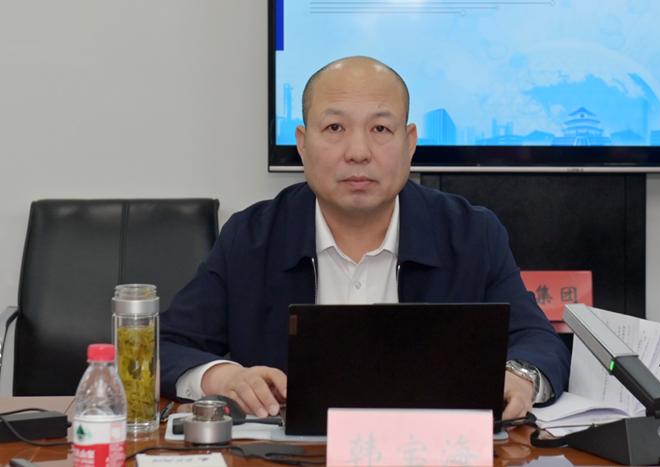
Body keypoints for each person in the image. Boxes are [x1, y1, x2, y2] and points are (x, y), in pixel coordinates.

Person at [160, 56, 570, 422]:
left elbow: (538, 341)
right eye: (334, 127)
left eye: (380, 128)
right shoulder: (250, 237)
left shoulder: (471, 234)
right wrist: (224, 377)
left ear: (409, 142)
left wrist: (519, 377)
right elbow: (166, 344)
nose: (358, 151)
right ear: (302, 143)